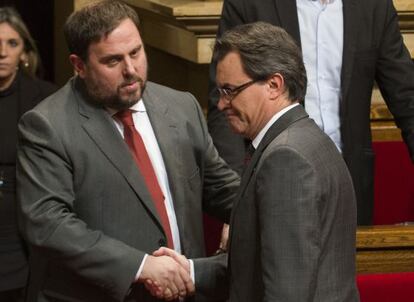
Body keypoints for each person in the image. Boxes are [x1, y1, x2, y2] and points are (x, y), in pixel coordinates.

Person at [16, 1, 239, 301]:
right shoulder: (47, 125)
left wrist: (248, 214)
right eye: (112, 61)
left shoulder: (182, 106)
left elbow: (221, 188)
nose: (131, 70)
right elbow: (48, 224)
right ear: (79, 65)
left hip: (184, 293)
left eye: (136, 52)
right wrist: (141, 266)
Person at [208, 0, 414, 225]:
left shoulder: (373, 5)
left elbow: (407, 99)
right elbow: (226, 103)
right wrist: (237, 206)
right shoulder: (249, 4)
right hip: (269, 184)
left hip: (348, 184)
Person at [213, 21, 359, 301]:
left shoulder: (285, 158)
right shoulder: (309, 138)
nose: (221, 104)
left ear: (273, 84)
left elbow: (287, 292)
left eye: (230, 90)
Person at [0, 7, 56, 302]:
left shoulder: (45, 99)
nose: (2, 53)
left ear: (24, 52)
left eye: (12, 43)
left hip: (24, 232)